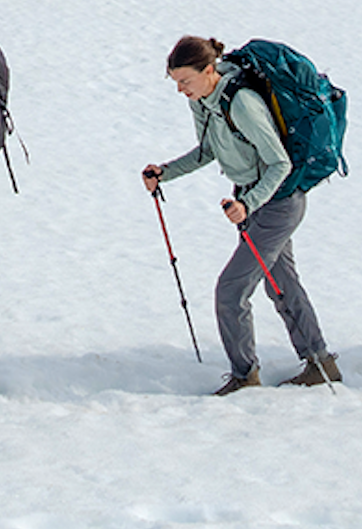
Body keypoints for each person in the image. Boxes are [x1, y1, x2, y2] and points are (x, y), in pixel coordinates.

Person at [144, 36, 339, 394]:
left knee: (231, 290)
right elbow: (208, 150)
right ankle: (320, 362)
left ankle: (244, 376)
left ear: (209, 70)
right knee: (281, 284)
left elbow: (280, 162)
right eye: (175, 82)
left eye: (185, 81)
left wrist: (249, 204)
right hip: (252, 201)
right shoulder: (204, 100)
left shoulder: (243, 104)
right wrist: (165, 172)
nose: (180, 90)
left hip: (278, 203)